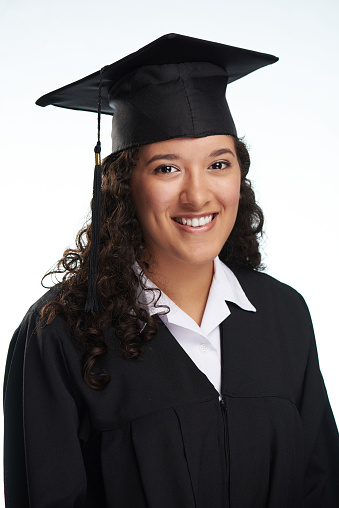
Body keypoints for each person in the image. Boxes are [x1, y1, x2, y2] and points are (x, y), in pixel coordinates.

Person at [3, 33, 339, 508]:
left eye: (218, 164)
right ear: (122, 185)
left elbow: (320, 487)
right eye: (167, 169)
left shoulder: (284, 315)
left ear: (239, 175)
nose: (198, 195)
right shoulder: (62, 336)